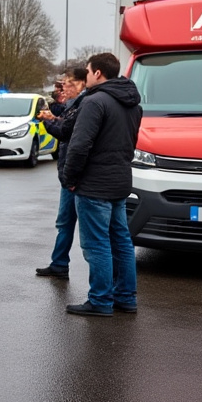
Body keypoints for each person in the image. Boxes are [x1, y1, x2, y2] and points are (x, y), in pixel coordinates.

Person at [61, 52, 143, 317]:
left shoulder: (95, 102)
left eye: (87, 71)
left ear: (97, 73)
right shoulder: (133, 103)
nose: (85, 75)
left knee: (96, 245)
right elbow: (130, 143)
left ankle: (100, 300)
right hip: (119, 183)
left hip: (94, 185)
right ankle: (125, 297)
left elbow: (79, 144)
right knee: (121, 242)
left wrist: (70, 179)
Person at [35, 67, 88, 277]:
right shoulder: (73, 105)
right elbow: (66, 127)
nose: (63, 88)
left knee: (93, 234)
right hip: (69, 175)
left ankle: (107, 287)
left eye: (66, 83)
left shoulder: (85, 104)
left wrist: (48, 121)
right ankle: (59, 263)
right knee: (64, 221)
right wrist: (53, 118)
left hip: (79, 176)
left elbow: (67, 133)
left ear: (79, 84)